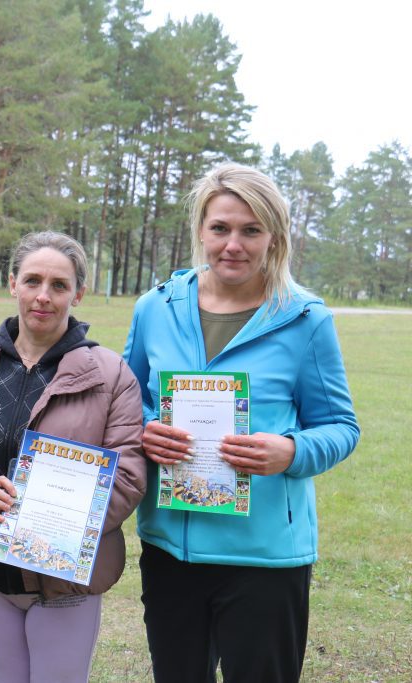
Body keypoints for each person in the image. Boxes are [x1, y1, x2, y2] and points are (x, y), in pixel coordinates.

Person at [122, 163, 360, 683]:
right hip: (171, 549)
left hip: (266, 558)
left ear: (274, 237)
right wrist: (144, 428)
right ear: (200, 231)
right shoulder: (154, 309)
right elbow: (125, 401)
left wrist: (291, 452)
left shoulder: (305, 319)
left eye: (251, 230)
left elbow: (341, 426)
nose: (234, 244)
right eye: (221, 228)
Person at [0, 232, 146, 682]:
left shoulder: (111, 374)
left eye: (59, 285)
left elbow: (128, 475)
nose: (44, 296)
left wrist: (44, 524)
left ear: (78, 294)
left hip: (63, 584)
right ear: (12, 285)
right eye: (32, 281)